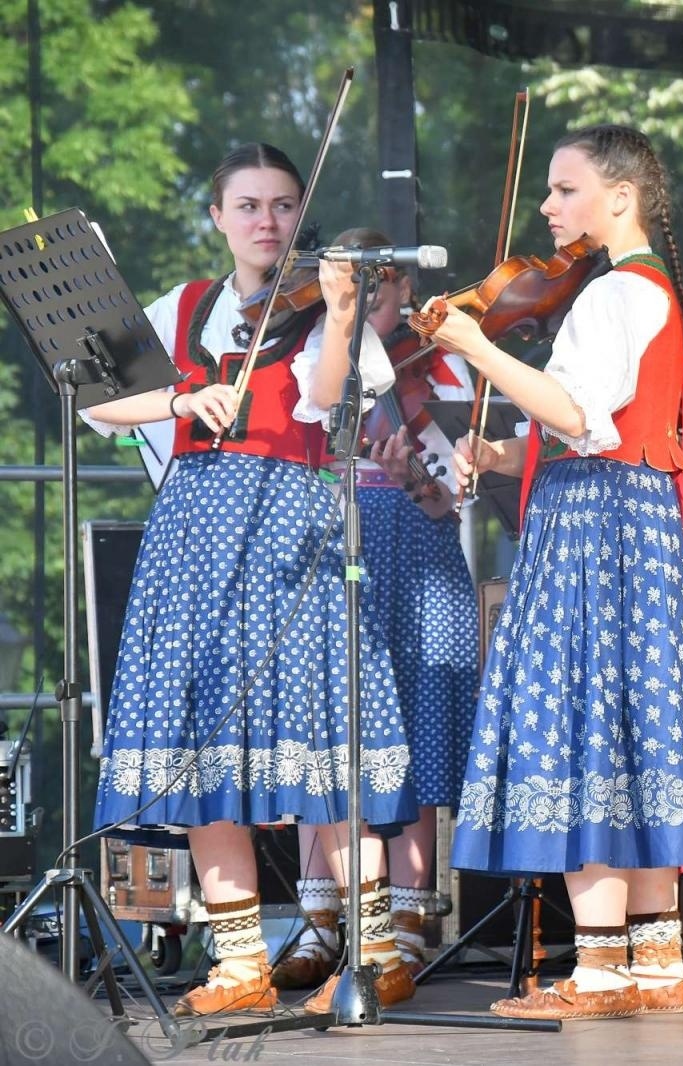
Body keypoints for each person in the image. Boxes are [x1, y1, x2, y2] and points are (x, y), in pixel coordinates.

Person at [82, 144, 417, 1016]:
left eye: (281, 207)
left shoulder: (322, 311)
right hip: (192, 539)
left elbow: (327, 399)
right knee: (197, 745)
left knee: (326, 745)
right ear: (218, 219)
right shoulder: (182, 305)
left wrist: (342, 313)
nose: (266, 223)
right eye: (249, 206)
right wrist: (177, 402)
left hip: (292, 533)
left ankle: (374, 952)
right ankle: (238, 963)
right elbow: (95, 397)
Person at [431, 124, 683, 1021]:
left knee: (585, 713)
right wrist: (507, 453)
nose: (549, 209)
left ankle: (597, 971)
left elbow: (583, 417)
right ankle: (656, 959)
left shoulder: (612, 295)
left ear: (620, 197)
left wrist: (478, 348)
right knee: (632, 719)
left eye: (564, 190)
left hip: (595, 529)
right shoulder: (648, 289)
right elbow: (610, 429)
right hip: (631, 518)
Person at [270, 228, 478, 989]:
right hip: (334, 541)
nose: (385, 319)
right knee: (331, 723)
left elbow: (445, 502)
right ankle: (324, 918)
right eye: (373, 304)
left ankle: (410, 917)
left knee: (415, 716)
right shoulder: (315, 350)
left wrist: (418, 481)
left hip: (414, 552)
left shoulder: (426, 377)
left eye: (386, 304)